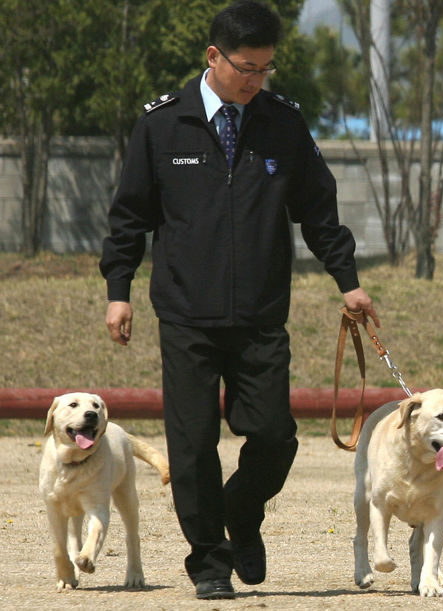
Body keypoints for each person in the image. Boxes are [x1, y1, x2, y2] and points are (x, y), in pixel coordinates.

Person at [100, 1, 377, 600]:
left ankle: (241, 511)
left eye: (265, 69)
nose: (255, 80)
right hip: (185, 313)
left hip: (259, 314)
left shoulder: (283, 123)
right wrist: (118, 292)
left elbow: (318, 211)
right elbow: (129, 218)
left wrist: (348, 280)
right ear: (214, 57)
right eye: (246, 68)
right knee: (193, 444)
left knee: (275, 436)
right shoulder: (162, 125)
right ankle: (209, 562)